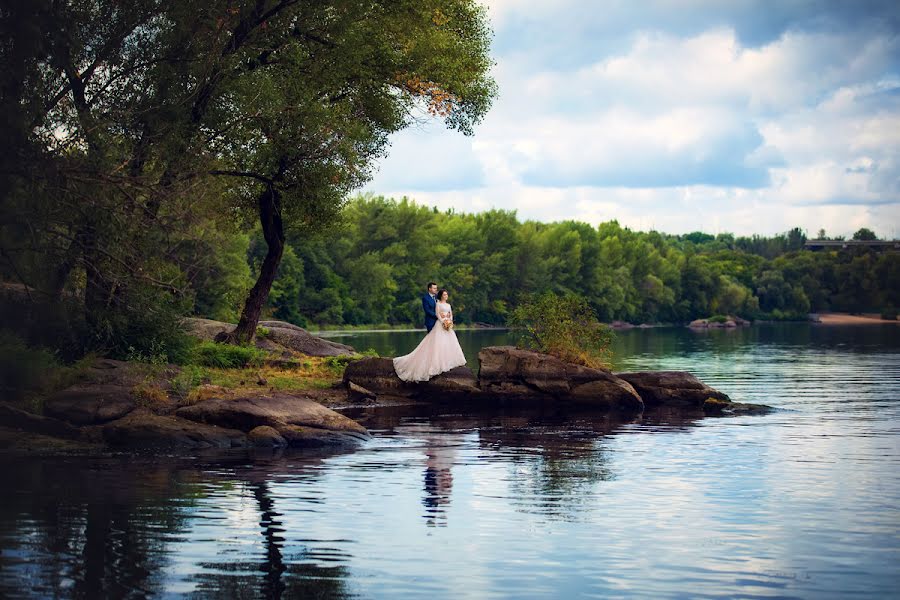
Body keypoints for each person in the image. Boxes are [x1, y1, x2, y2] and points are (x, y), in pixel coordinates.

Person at [393, 288, 467, 382]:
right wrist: (443, 322)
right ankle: (438, 364)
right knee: (439, 343)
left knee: (450, 342)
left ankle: (450, 361)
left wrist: (449, 321)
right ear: (441, 296)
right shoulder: (438, 304)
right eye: (444, 295)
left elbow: (450, 314)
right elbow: (437, 314)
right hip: (440, 324)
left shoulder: (448, 305)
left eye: (447, 295)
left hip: (448, 325)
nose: (446, 296)